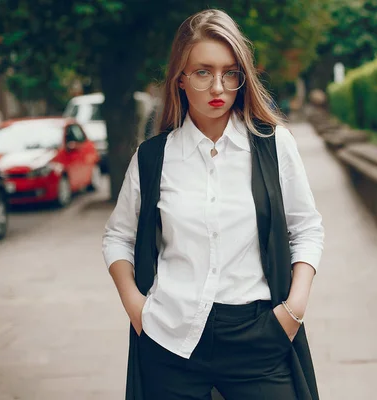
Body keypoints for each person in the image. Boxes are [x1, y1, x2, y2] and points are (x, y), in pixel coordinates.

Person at [102, 9, 324, 400]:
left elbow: (306, 228)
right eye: (203, 72)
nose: (218, 86)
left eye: (230, 72)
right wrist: (136, 308)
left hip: (258, 332)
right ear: (181, 79)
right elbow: (117, 237)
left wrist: (294, 309)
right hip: (170, 338)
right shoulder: (154, 157)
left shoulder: (274, 146)